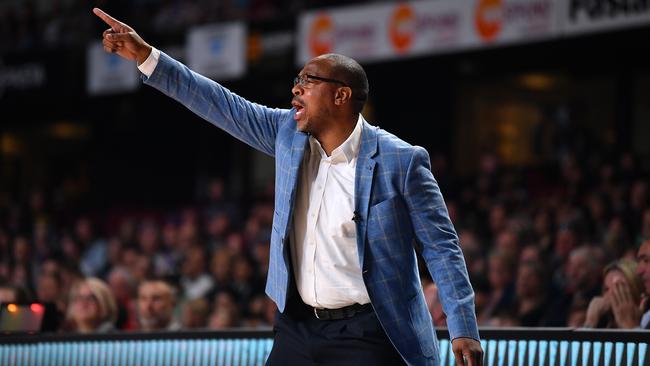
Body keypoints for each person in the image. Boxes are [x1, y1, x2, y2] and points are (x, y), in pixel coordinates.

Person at [93, 8, 483, 365]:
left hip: (369, 331)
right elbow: (219, 102)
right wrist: (147, 56)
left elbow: (442, 248)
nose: (295, 89)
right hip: (297, 326)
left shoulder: (402, 160)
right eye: (297, 80)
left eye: (307, 81)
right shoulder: (286, 134)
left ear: (341, 95)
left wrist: (463, 326)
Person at [583, 258, 643, 328]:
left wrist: (630, 326)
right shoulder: (601, 323)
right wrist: (590, 322)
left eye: (618, 289)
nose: (610, 296)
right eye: (606, 289)